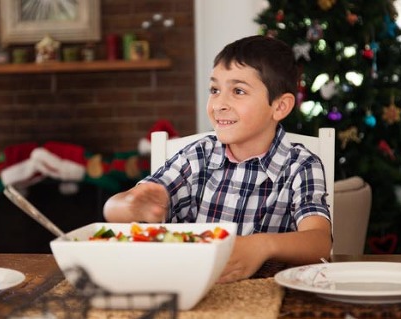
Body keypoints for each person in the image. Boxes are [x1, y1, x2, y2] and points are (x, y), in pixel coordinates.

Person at [103, 35, 332, 283]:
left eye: (238, 91)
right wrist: (129, 205)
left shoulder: (301, 165)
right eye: (215, 90)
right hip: (194, 292)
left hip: (268, 300)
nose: (219, 104)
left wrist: (261, 245)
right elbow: (115, 209)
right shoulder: (197, 156)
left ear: (279, 107)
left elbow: (319, 242)